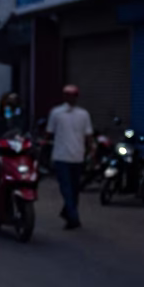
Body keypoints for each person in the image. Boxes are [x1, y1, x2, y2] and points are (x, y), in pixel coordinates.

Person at [47, 84, 93, 230]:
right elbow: (49, 132)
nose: (70, 98)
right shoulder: (56, 113)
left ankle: (68, 213)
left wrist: (91, 150)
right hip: (62, 156)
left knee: (73, 189)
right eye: (68, 95)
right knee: (68, 188)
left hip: (76, 156)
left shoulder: (83, 114)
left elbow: (88, 135)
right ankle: (73, 217)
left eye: (72, 95)